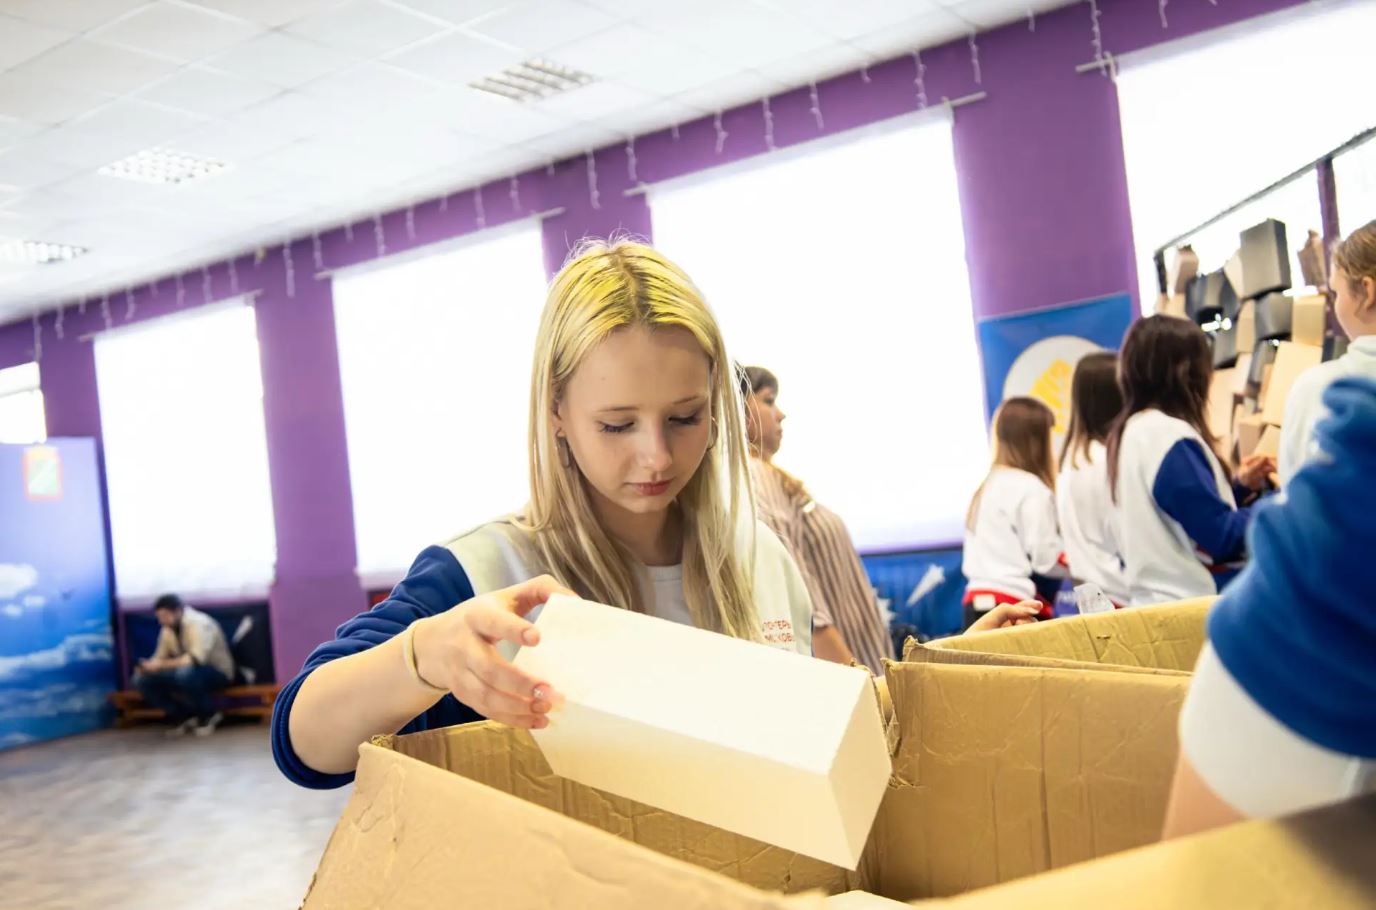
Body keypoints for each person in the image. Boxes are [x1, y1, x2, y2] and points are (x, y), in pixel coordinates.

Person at [272, 239, 815, 789]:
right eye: (617, 425)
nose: (657, 456)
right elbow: (304, 744)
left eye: (685, 417)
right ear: (556, 409)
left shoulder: (763, 560)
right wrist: (424, 657)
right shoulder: (483, 573)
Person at [1163, 377, 1376, 838]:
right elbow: (1218, 534)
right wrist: (1269, 505)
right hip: (1280, 641)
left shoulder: (1123, 444)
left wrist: (1244, 489)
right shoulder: (1171, 440)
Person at [1108, 316, 1274, 607]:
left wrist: (1238, 487)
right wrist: (1286, 501)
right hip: (1192, 606)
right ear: (1186, 371)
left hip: (1161, 605)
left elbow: (1180, 518)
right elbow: (1221, 538)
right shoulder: (1166, 435)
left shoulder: (1134, 432)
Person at [739, 365, 894, 672]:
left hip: (860, 664)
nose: (781, 414)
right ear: (738, 410)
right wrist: (863, 684)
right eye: (768, 401)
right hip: (850, 674)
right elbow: (805, 602)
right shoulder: (755, 475)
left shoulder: (769, 477)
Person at [1279, 220, 1376, 485]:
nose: (1335, 306)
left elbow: (1299, 496)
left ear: (1367, 292)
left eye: (1336, 293)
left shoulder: (1322, 389)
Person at [961, 396, 1065, 629]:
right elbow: (1046, 559)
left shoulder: (984, 487)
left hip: (975, 606)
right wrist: (1086, 561)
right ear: (1037, 441)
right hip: (1012, 609)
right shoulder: (1031, 487)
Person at [1056, 352, 1129, 607]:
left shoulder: (1073, 459)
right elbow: (1126, 534)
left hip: (1095, 593)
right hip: (1119, 595)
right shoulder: (1102, 462)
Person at [134, 594, 235, 737]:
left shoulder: (199, 623)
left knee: (185, 674)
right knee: (141, 679)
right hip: (184, 673)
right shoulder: (167, 628)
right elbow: (160, 656)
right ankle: (183, 716)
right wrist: (148, 666)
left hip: (217, 672)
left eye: (164, 616)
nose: (161, 621)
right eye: (159, 617)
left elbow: (196, 659)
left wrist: (161, 665)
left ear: (177, 611)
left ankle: (208, 714)